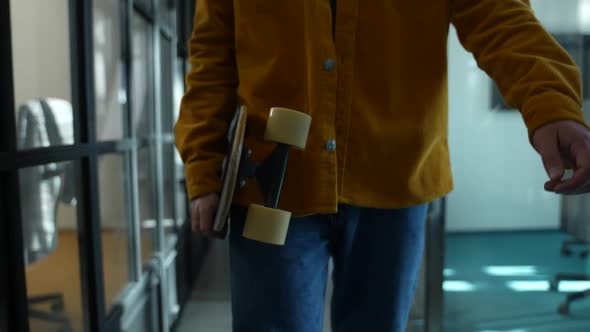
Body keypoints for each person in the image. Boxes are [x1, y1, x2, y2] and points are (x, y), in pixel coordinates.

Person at [174, 0, 590, 331]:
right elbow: (213, 54)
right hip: (271, 182)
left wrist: (552, 106)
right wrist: (202, 165)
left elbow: (501, 16)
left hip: (395, 175)